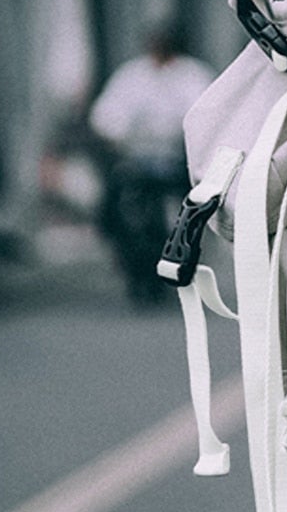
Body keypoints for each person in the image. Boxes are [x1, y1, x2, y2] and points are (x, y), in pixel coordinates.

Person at [88, 24, 214, 303]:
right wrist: (114, 132)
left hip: (175, 160)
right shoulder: (132, 76)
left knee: (193, 206)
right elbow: (108, 115)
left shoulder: (192, 75)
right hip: (136, 159)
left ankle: (185, 250)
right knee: (112, 203)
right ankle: (118, 245)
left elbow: (202, 114)